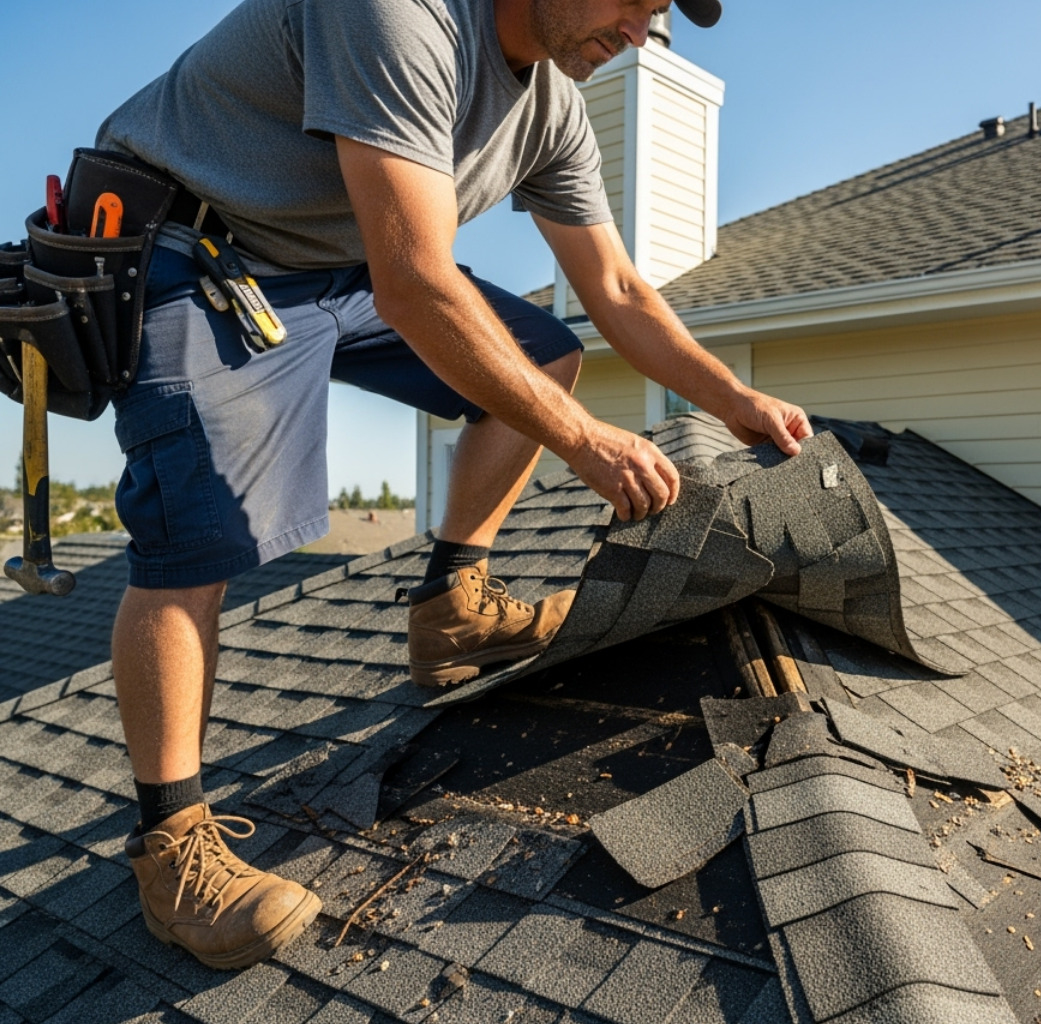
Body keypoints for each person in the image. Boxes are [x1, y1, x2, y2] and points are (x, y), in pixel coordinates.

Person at [93, 0, 810, 970]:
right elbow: (417, 284)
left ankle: (452, 606)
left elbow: (620, 292)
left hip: (337, 264)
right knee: (202, 533)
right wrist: (589, 447)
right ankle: (172, 843)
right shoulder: (401, 15)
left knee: (543, 356)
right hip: (202, 242)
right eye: (635, 1)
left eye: (658, 16)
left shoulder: (552, 108)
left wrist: (736, 401)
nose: (643, 31)